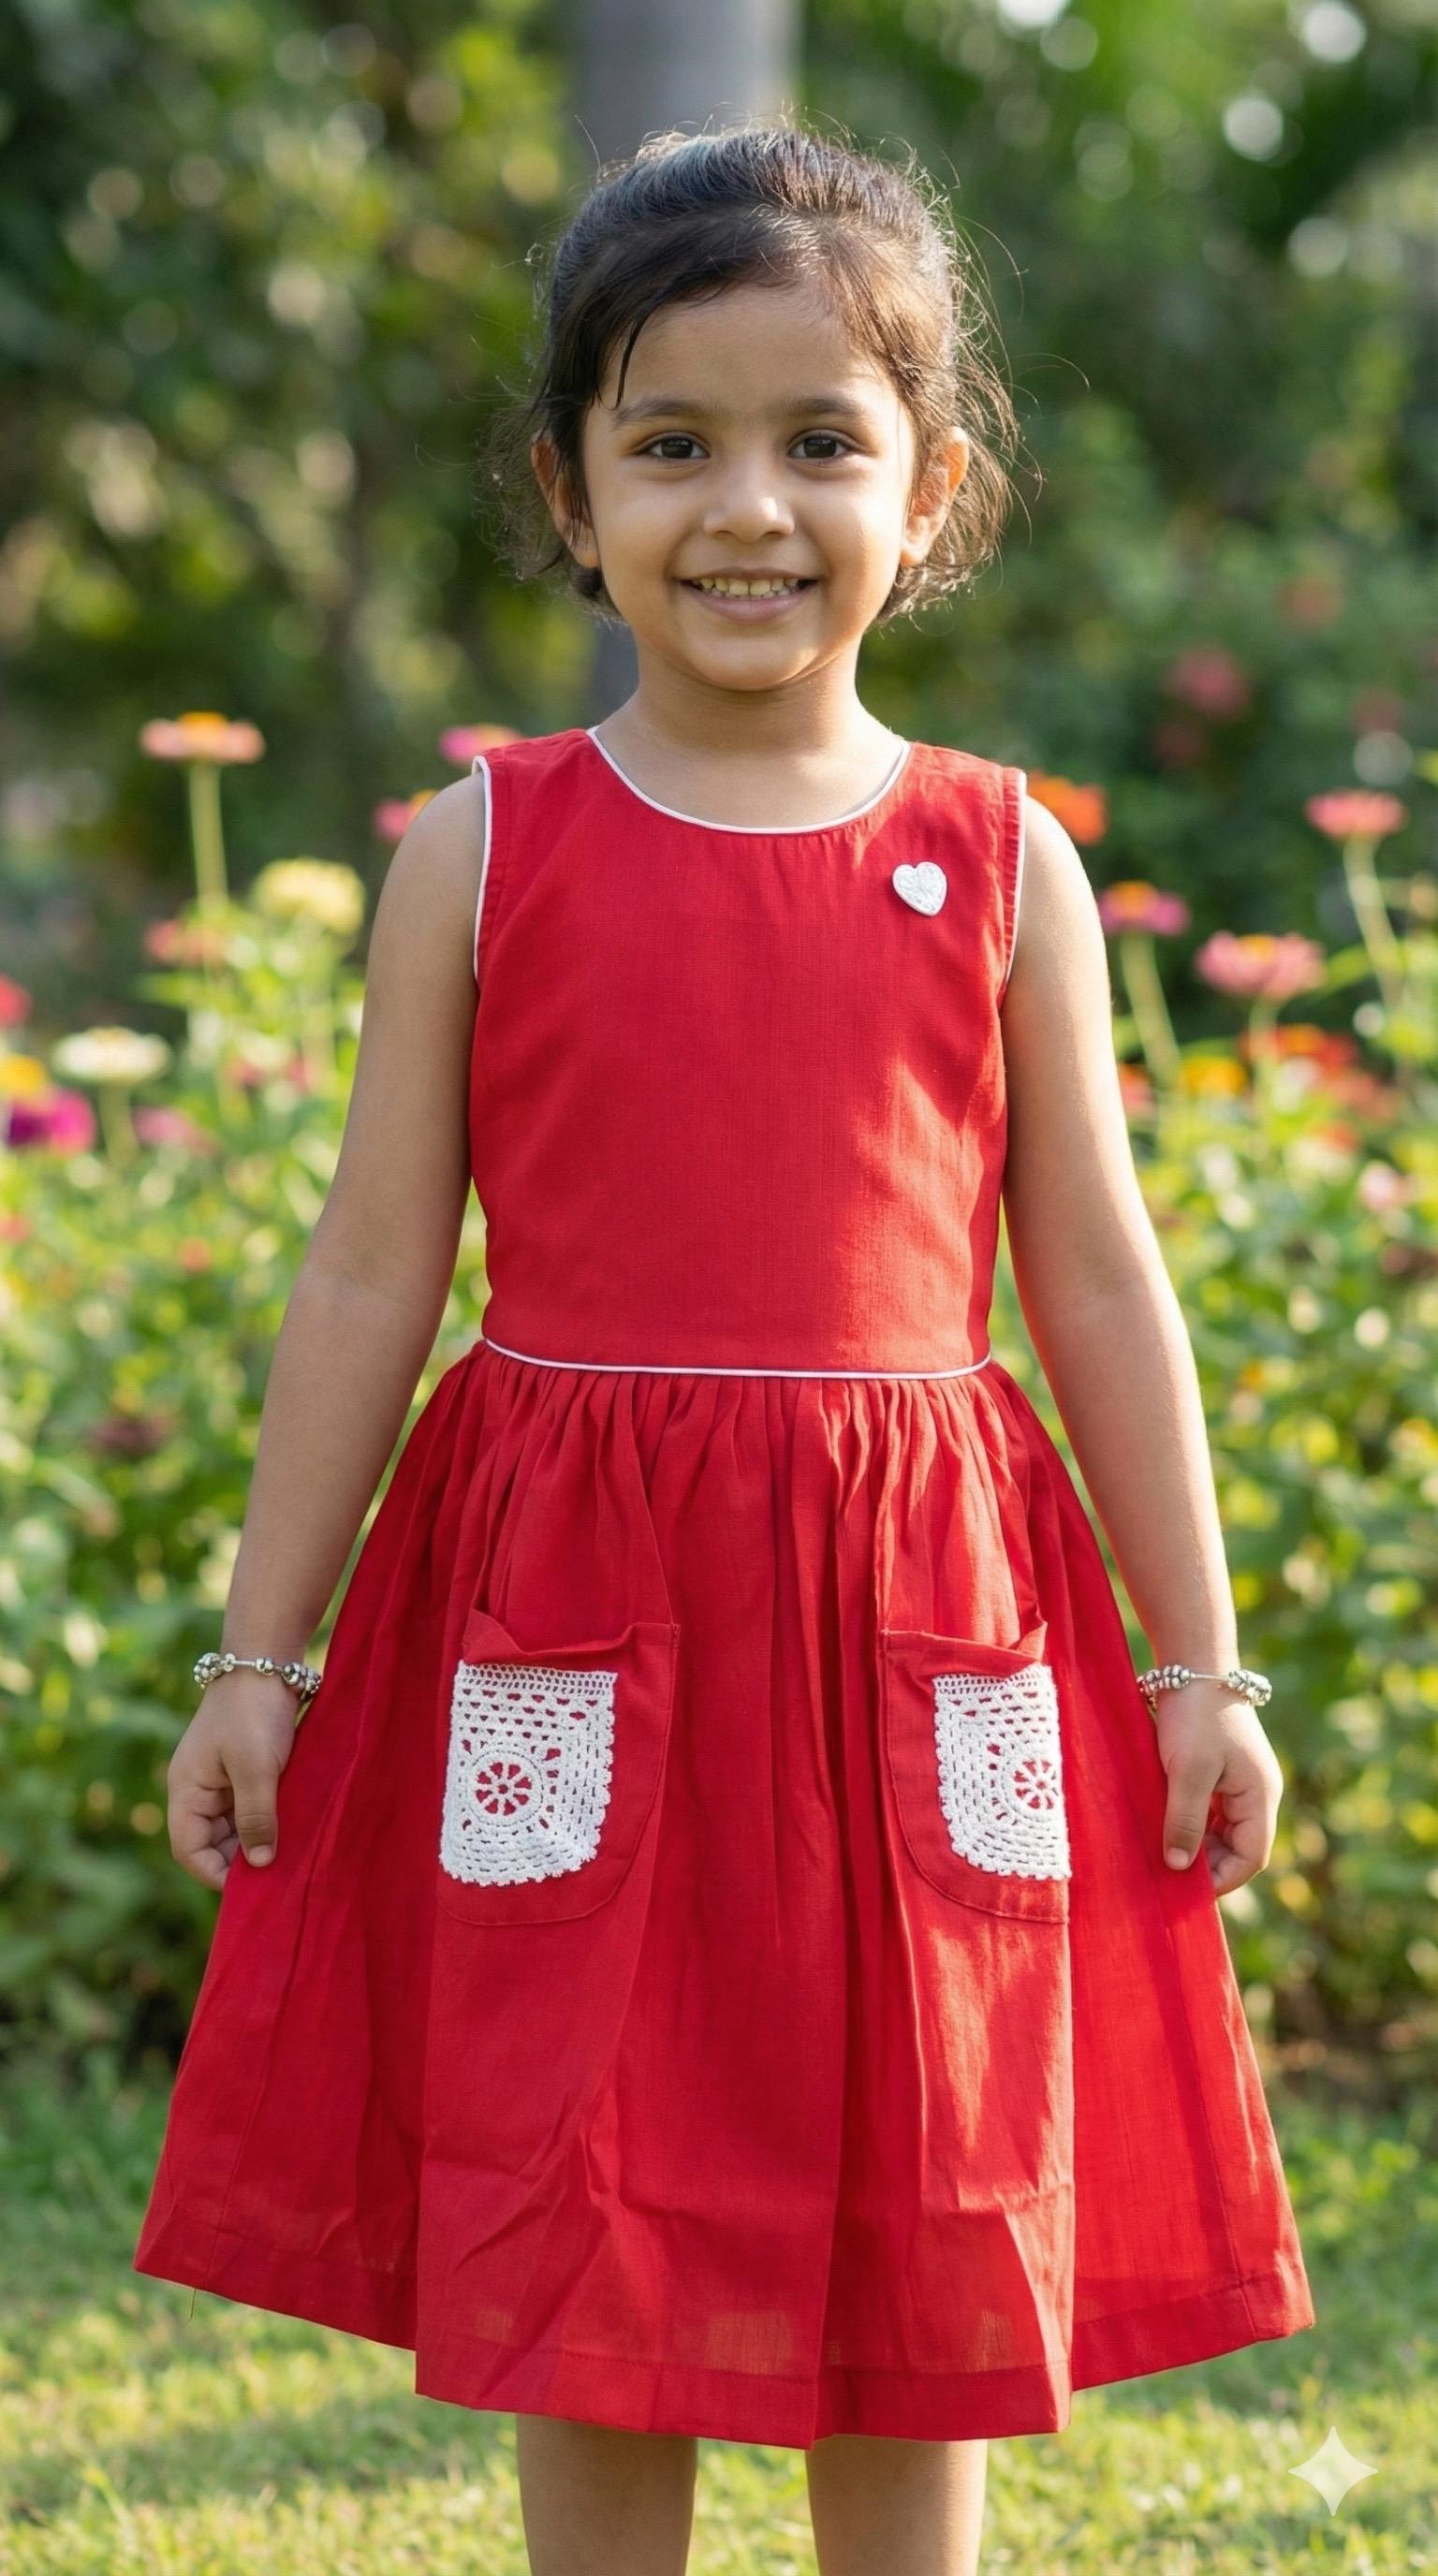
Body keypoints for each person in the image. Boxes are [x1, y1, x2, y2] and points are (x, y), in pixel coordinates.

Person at [134, 119, 1314, 2576]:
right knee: (588, 2192)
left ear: (936, 485)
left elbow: (1095, 1278)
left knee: (931, 2178)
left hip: (917, 1631)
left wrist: (1202, 1670)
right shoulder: (490, 850)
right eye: (671, 443)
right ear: (567, 486)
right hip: (573, 1603)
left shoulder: (1004, 862)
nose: (746, 506)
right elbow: (372, 1269)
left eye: (820, 441)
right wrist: (270, 1647)